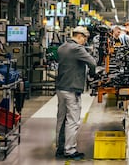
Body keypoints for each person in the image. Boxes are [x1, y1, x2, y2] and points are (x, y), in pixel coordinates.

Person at [55, 26, 97, 159]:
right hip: (72, 89)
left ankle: (60, 147)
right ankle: (70, 150)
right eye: (85, 39)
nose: (85, 42)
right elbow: (92, 62)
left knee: (61, 119)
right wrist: (92, 74)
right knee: (73, 120)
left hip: (61, 87)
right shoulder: (77, 48)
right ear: (80, 36)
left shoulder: (62, 47)